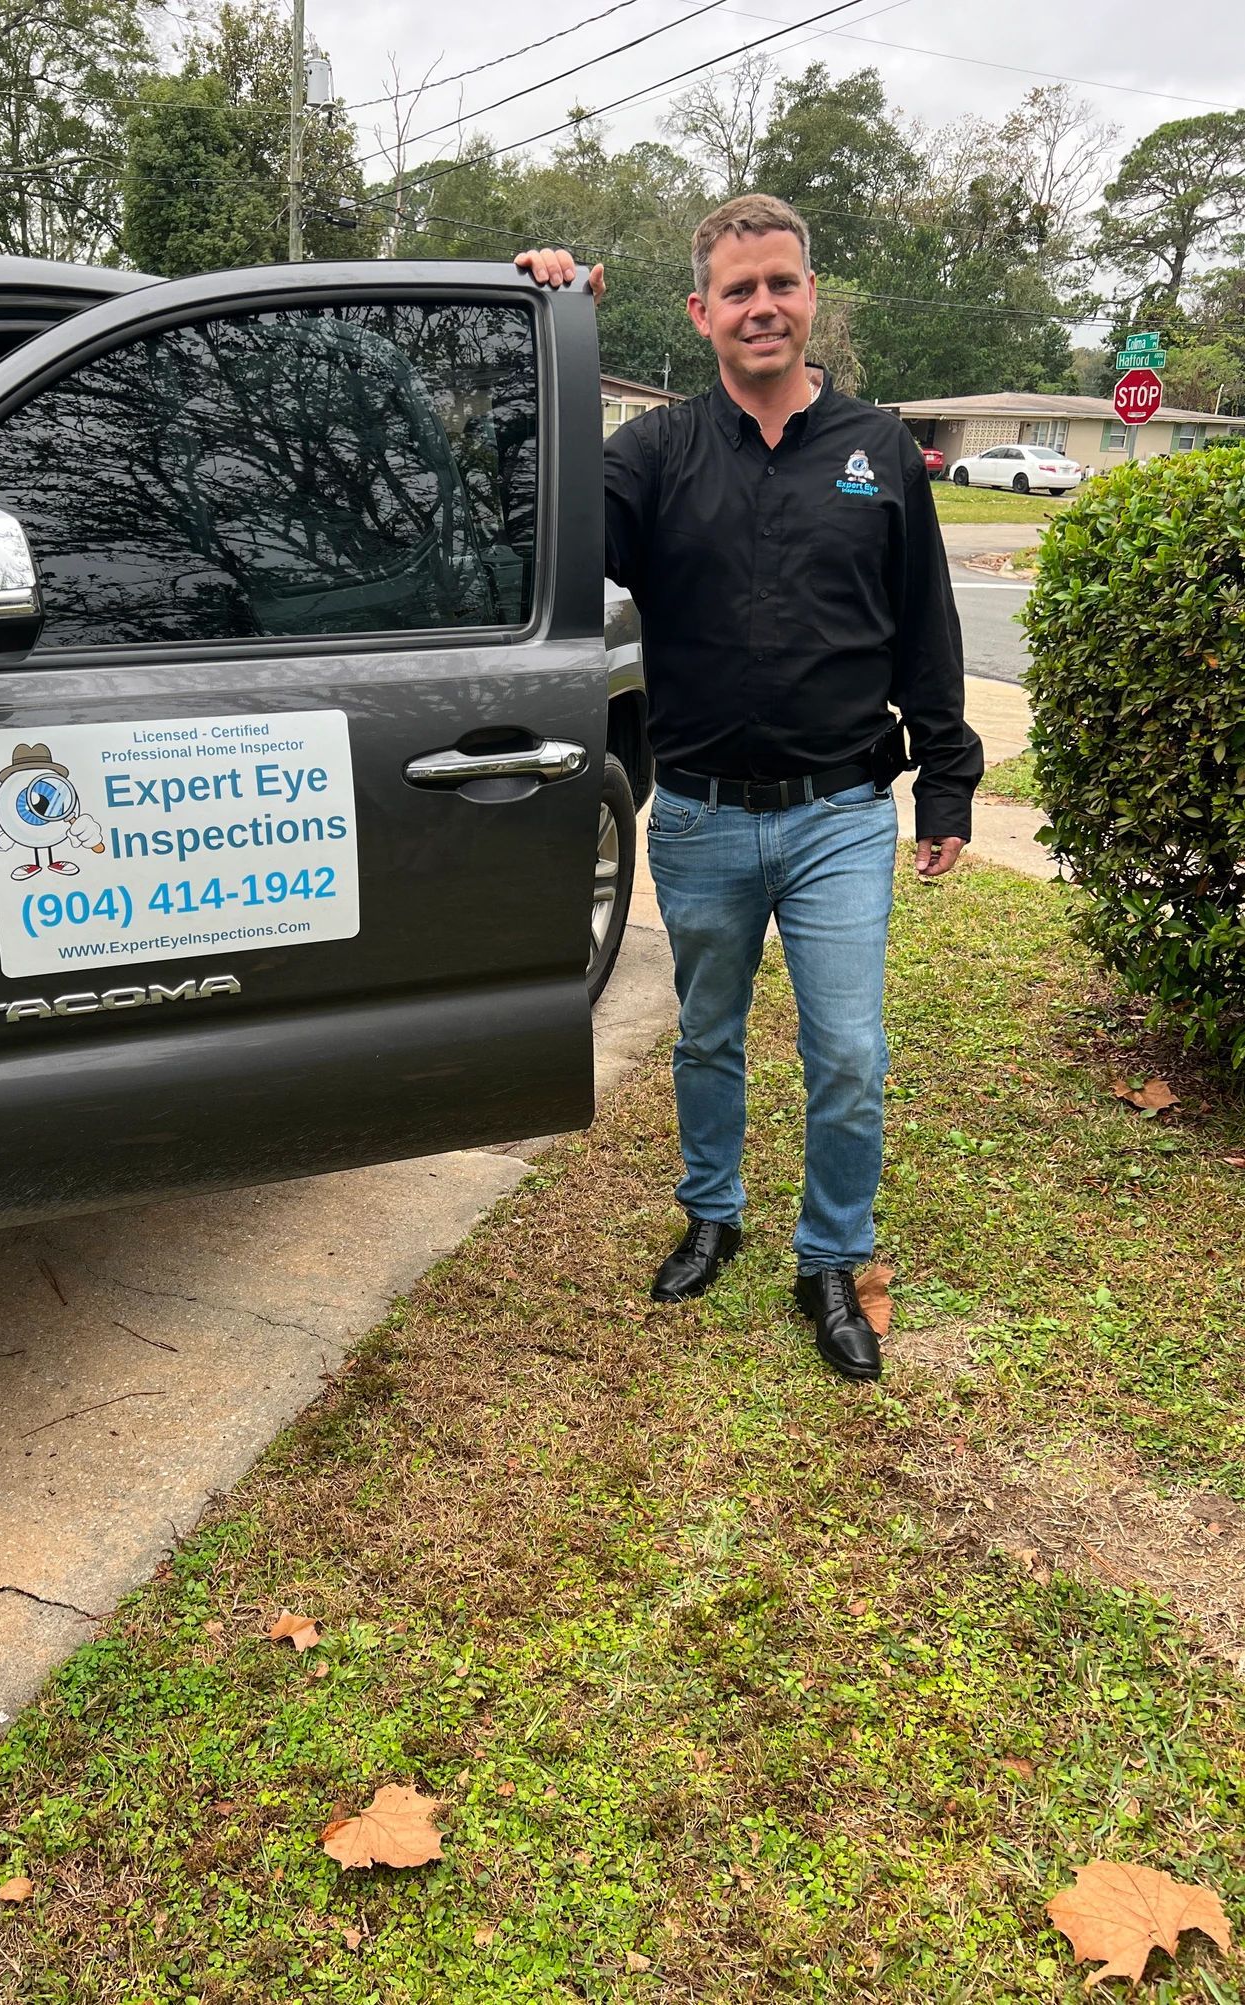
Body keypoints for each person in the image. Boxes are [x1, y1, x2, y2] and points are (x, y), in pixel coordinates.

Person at [516, 195, 982, 1383]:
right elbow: (538, 511)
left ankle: (830, 1256)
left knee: (845, 1051)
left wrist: (944, 782)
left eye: (779, 283)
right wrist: (542, 325)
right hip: (704, 818)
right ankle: (710, 1214)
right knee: (707, 1036)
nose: (760, 306)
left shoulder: (878, 448)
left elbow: (924, 629)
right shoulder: (654, 454)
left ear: (808, 294)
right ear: (700, 312)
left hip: (836, 815)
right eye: (737, 290)